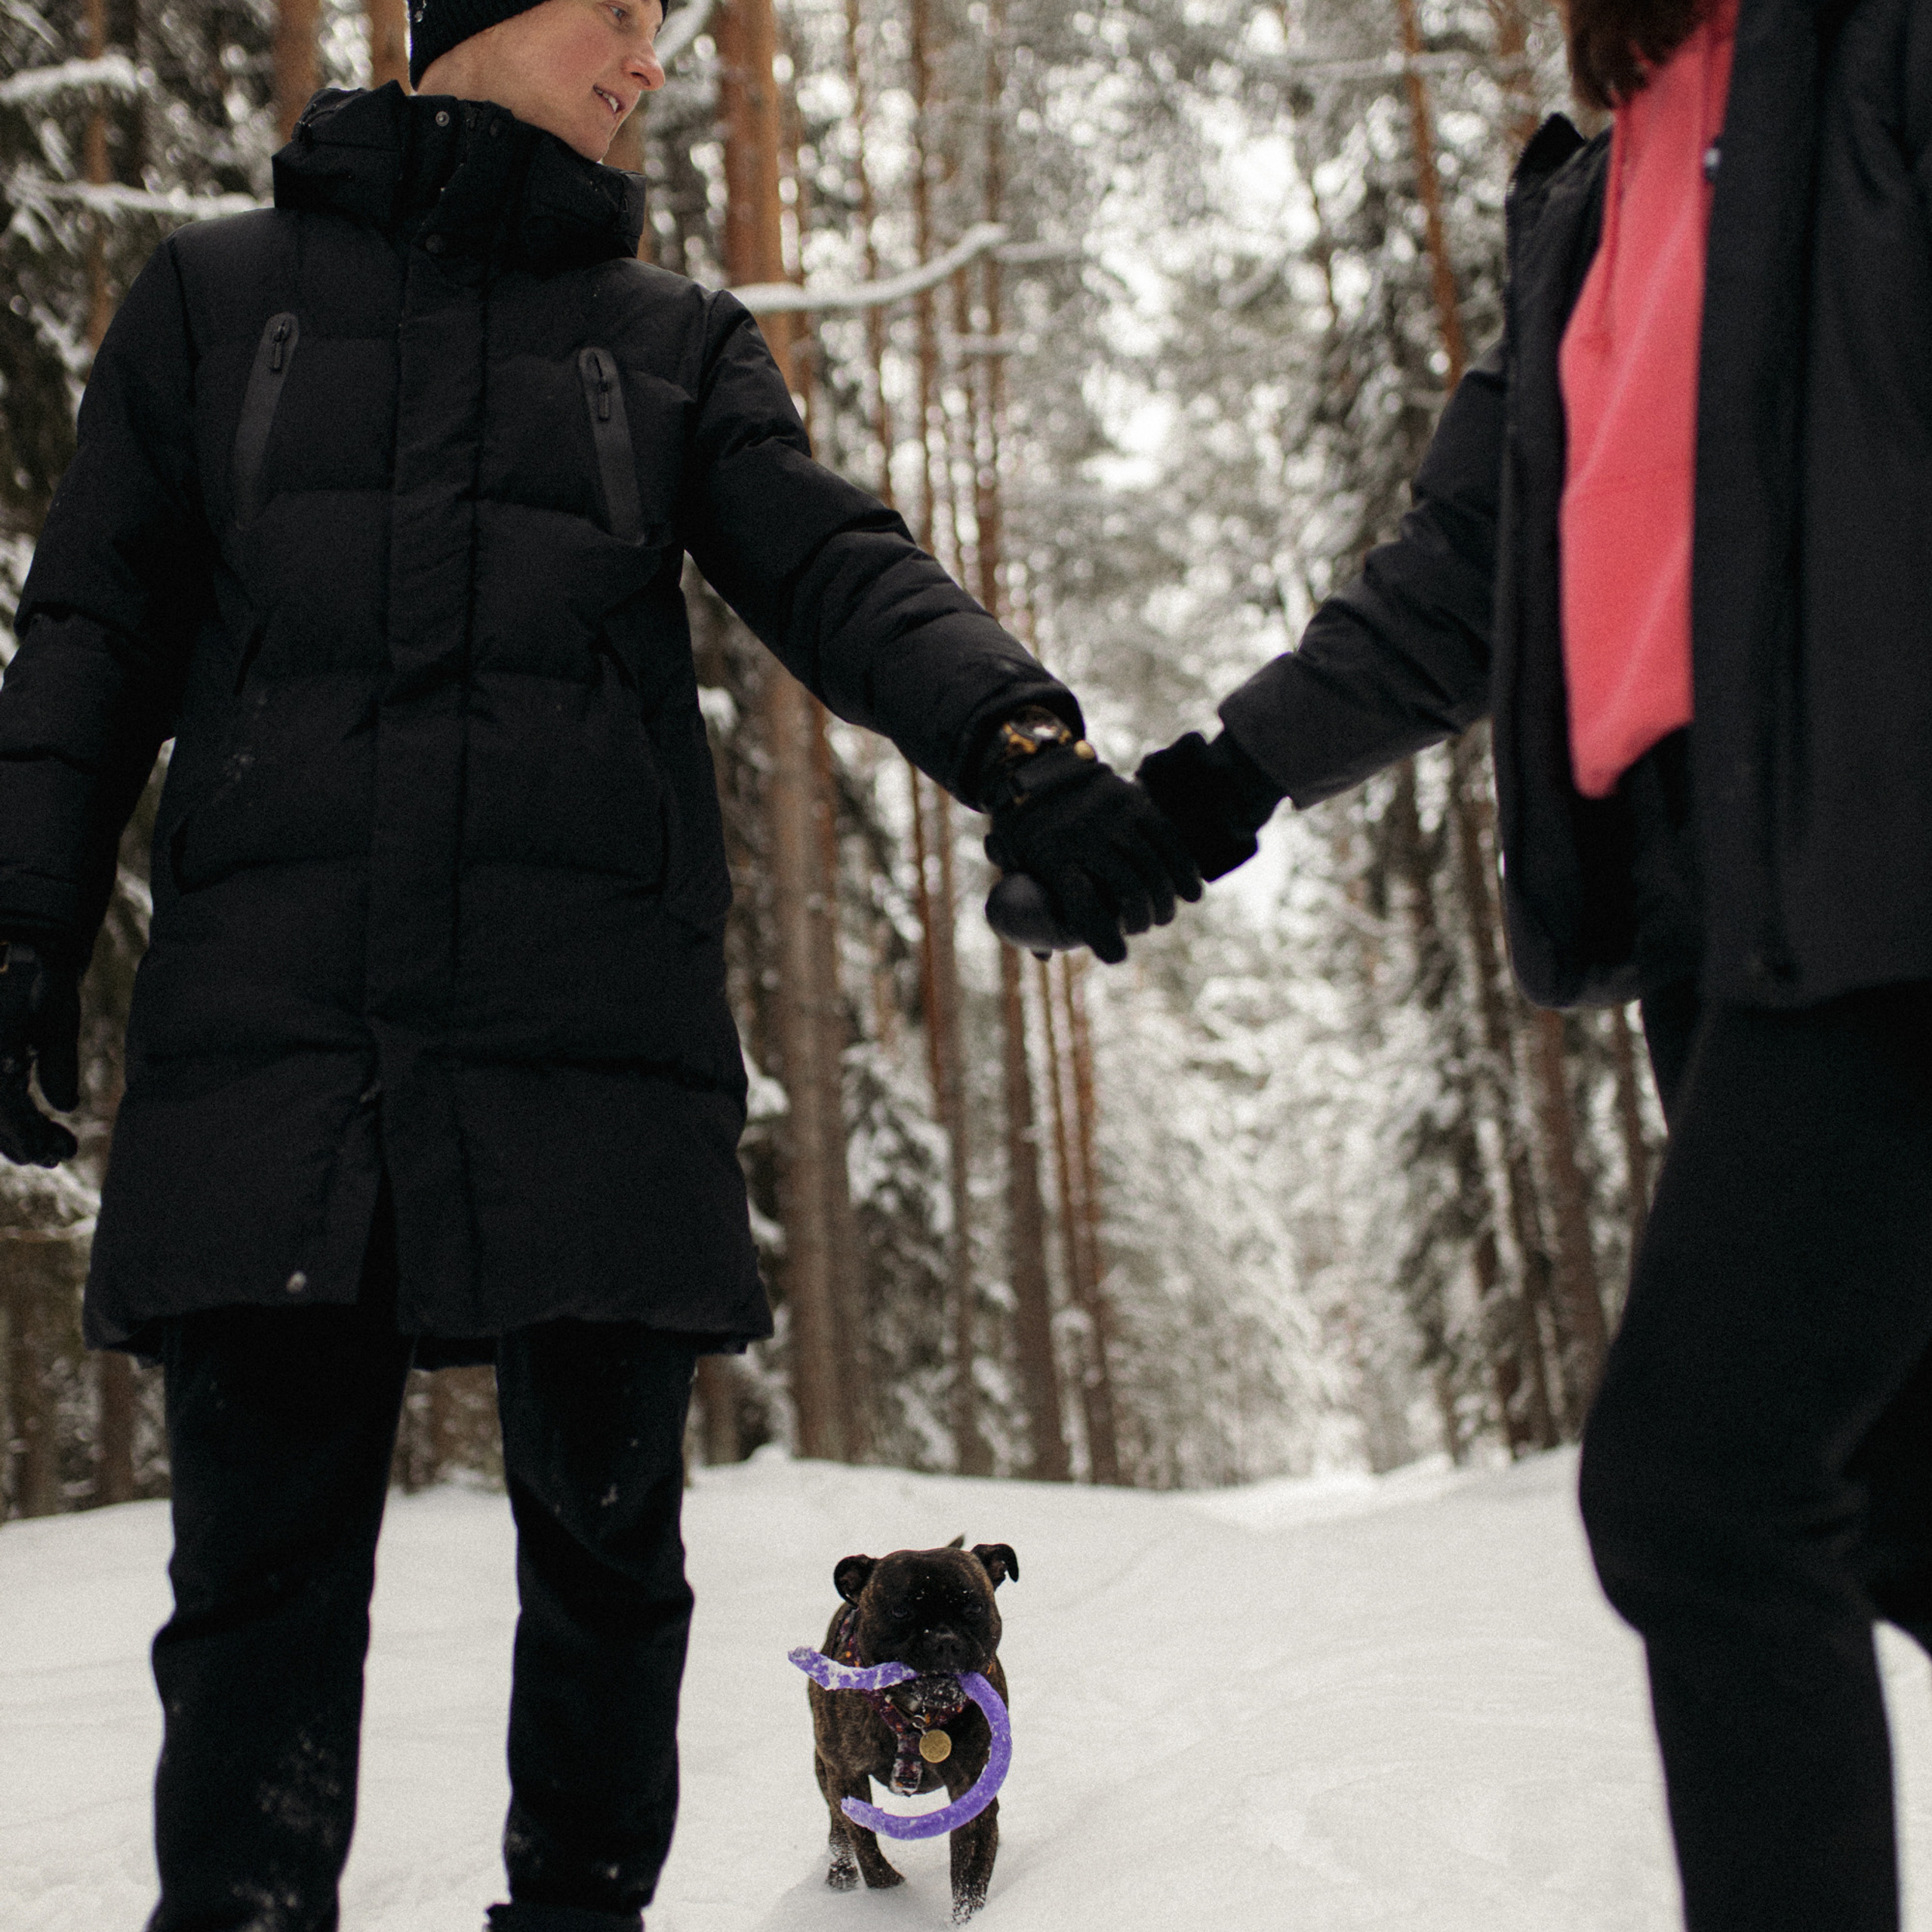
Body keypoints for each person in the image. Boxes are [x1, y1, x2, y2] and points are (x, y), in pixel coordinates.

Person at [0, 3, 1198, 1927]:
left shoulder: (668, 343)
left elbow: (835, 565)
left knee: (607, 1567)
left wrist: (1016, 741)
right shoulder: (219, 305)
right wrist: (19, 923)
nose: (650, 61)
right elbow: (86, 641)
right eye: (616, 14)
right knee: (254, 1593)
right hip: (280, 1039)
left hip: (588, 1040)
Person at [1135, 0, 1932, 1924]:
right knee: (1892, 1491)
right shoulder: (1590, 193)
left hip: (1886, 867)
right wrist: (1215, 783)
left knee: (1701, 1486)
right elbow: (1463, 566)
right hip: (1713, 910)